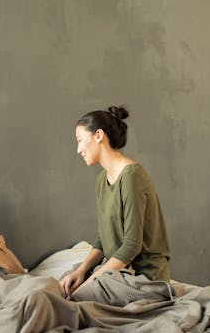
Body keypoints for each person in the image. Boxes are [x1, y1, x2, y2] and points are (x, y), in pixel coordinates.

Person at [60, 106, 171, 298]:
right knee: (65, 284)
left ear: (99, 135)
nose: (78, 150)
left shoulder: (132, 177)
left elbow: (131, 246)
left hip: (144, 277)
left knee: (77, 300)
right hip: (119, 271)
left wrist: (90, 283)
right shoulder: (102, 180)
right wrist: (81, 272)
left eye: (80, 140)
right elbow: (103, 238)